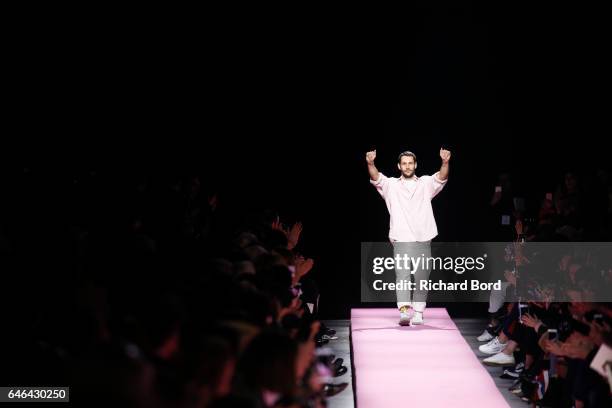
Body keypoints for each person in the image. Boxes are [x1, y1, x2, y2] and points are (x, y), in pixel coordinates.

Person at [366, 148, 450, 325]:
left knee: (422, 276)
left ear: (415, 164)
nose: (407, 166)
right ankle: (404, 312)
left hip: (422, 237)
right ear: (399, 166)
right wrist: (371, 163)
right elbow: (376, 178)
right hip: (401, 236)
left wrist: (444, 162)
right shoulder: (391, 184)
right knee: (402, 276)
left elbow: (441, 177)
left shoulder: (425, 183)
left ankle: (418, 312)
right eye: (404, 163)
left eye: (410, 163)